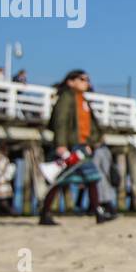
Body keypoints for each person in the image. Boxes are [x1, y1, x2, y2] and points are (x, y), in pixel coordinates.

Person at [46, 69, 117, 223]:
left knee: (90, 178)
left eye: (87, 80)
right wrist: (61, 144)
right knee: (61, 178)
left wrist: (94, 142)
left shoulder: (82, 99)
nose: (86, 82)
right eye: (82, 79)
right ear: (71, 81)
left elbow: (89, 126)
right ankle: (45, 212)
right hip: (71, 145)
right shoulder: (66, 98)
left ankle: (98, 212)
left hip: (82, 145)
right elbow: (61, 121)